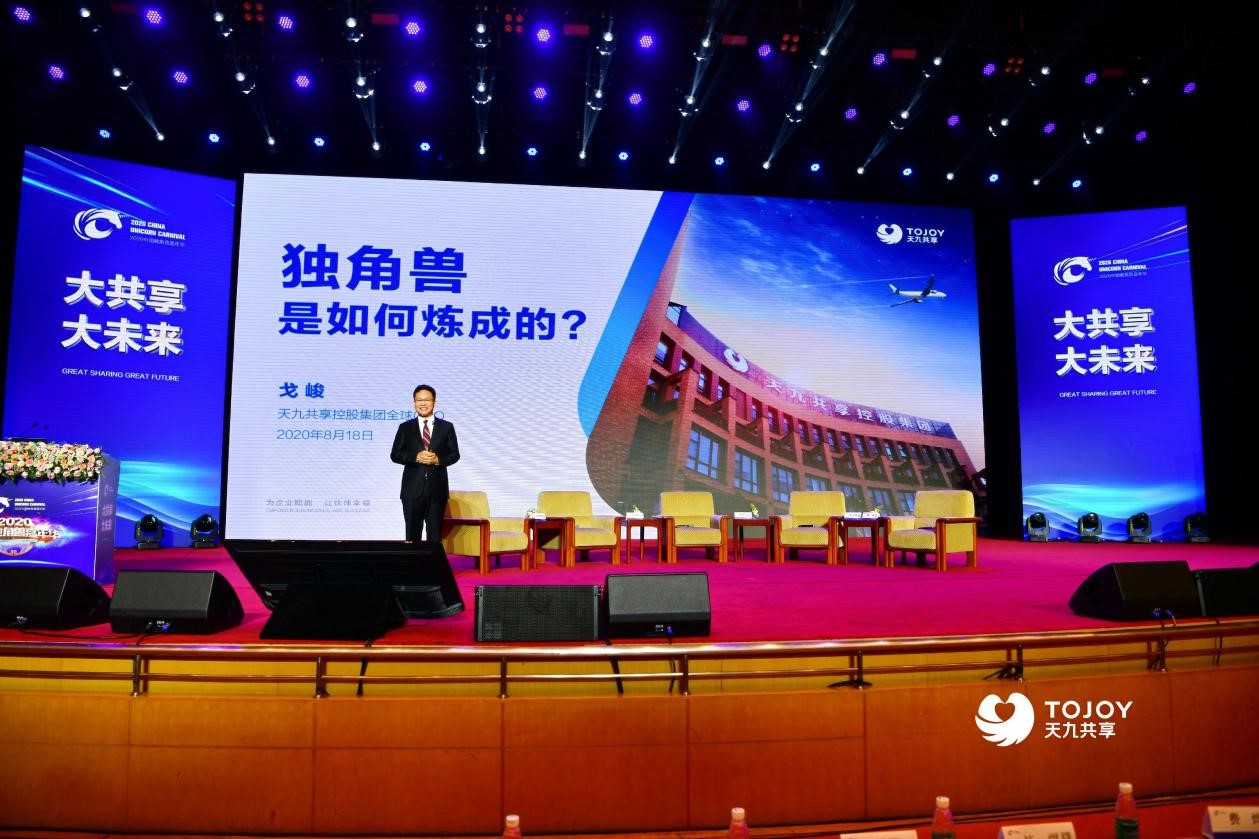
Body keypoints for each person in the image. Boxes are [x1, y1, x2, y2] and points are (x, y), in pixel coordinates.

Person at [390, 384, 460, 542]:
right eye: (419, 400)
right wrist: (416, 457)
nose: (423, 403)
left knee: (435, 536)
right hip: (412, 490)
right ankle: (413, 560)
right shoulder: (405, 427)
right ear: (414, 402)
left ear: (434, 402)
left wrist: (438, 460)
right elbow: (395, 454)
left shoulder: (447, 427)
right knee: (412, 535)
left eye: (427, 400)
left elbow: (454, 455)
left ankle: (433, 560)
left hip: (437, 489)